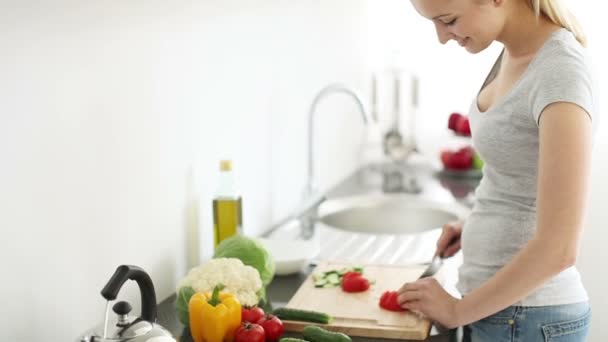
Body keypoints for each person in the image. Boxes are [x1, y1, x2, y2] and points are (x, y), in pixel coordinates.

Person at [397, 0, 597, 341]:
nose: (442, 38)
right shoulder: (511, 53)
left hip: (528, 319)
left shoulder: (560, 71)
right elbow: (520, 178)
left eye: (448, 20)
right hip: (505, 314)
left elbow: (559, 247)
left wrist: (456, 311)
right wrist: (475, 224)